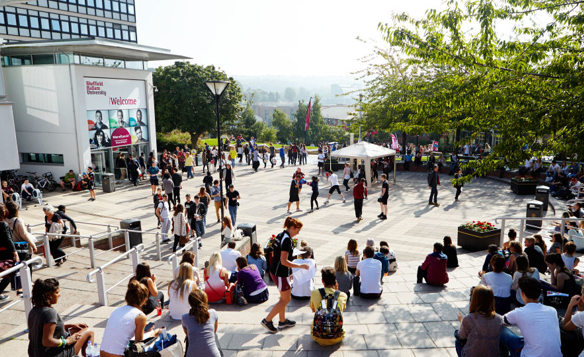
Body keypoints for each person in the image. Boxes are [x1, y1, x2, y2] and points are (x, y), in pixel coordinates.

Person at [262, 217, 309, 333]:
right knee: (286, 299)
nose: (298, 233)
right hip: (280, 273)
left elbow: (276, 256)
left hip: (277, 271)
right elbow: (284, 261)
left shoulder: (281, 235)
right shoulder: (287, 240)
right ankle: (267, 320)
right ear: (292, 228)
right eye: (297, 230)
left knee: (284, 298)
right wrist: (300, 266)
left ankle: (282, 321)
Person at [27, 278, 94, 357]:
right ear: (48, 295)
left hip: (36, 353)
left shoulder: (34, 310)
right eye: (57, 292)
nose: (59, 295)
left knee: (78, 330)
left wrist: (69, 326)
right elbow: (47, 341)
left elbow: (43, 330)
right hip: (52, 354)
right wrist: (67, 341)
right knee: (89, 332)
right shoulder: (50, 312)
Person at [502, 277, 562, 357]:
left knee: (502, 331)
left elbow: (499, 321)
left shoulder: (518, 313)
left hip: (530, 355)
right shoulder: (552, 310)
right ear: (540, 293)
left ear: (522, 293)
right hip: (556, 355)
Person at [101, 280, 162, 357]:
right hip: (118, 355)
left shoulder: (116, 310)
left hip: (103, 353)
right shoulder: (140, 316)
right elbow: (138, 346)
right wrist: (154, 334)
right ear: (143, 300)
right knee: (157, 336)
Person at [454, 284, 503, 357]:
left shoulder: (469, 318)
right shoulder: (499, 319)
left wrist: (461, 320)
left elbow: (461, 336)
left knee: (457, 340)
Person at [310, 266, 348, 346]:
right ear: (335, 281)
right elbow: (341, 310)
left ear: (322, 281)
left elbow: (313, 309)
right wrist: (337, 291)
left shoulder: (314, 293)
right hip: (337, 337)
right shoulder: (343, 295)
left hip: (317, 336)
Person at [182, 290, 222, 357]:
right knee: (214, 336)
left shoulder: (185, 317)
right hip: (213, 355)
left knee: (189, 337)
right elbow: (214, 331)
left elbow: (187, 333)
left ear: (190, 303)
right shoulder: (213, 313)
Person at [0, 203, 18, 301]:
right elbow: (8, 239)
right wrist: (15, 252)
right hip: (5, 252)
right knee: (9, 274)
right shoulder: (3, 224)